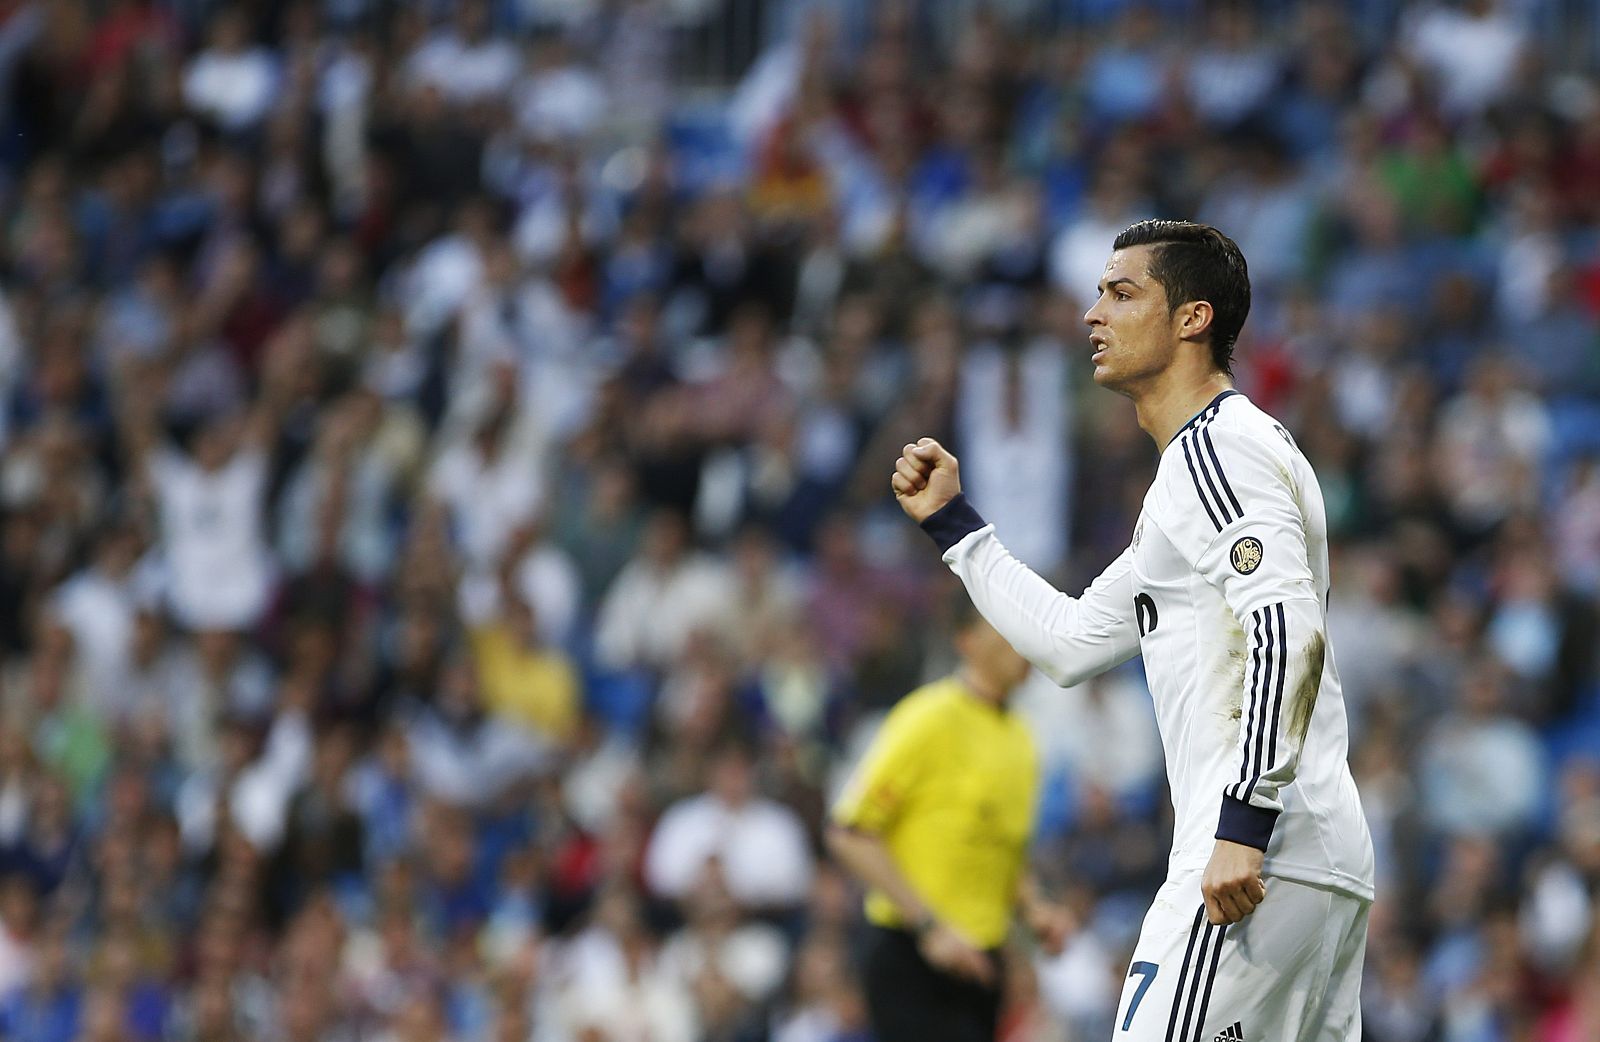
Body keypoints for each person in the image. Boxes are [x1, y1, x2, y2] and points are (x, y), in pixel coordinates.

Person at [891, 220, 1374, 1042]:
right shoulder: (1196, 477)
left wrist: (1243, 821)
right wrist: (956, 528)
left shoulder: (1219, 453)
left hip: (1259, 848)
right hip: (1309, 854)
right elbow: (1073, 641)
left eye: (1121, 293)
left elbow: (1286, 629)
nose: (1093, 314)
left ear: (1192, 319)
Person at [826, 595, 1071, 1042]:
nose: (1025, 643)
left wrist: (1035, 908)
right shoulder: (928, 719)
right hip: (913, 956)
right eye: (1008, 629)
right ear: (966, 640)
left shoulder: (1022, 739)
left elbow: (1004, 850)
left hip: (981, 964)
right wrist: (929, 928)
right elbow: (850, 832)